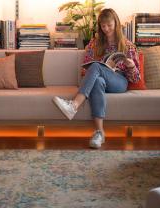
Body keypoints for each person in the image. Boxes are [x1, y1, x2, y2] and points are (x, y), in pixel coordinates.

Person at [53, 8, 140, 149]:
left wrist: (130, 65)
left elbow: (135, 79)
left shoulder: (127, 45)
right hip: (101, 80)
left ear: (116, 24)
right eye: (103, 26)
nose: (106, 29)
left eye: (109, 25)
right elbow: (84, 69)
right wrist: (96, 70)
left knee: (96, 67)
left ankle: (74, 105)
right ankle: (100, 133)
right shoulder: (95, 43)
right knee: (97, 78)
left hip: (120, 81)